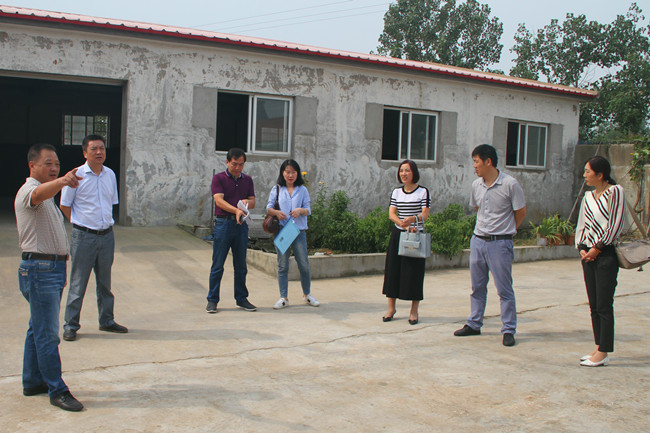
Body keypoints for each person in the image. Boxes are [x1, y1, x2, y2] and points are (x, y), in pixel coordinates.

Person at [15, 143, 84, 411]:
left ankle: (33, 381)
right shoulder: (30, 191)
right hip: (40, 271)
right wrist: (64, 181)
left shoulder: (47, 197)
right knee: (47, 334)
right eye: (48, 164)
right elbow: (37, 194)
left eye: (56, 164)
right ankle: (57, 389)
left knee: (37, 328)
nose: (54, 168)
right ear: (32, 165)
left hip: (50, 270)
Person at [454, 144, 526, 347]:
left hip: (500, 243)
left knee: (504, 289)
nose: (474, 166)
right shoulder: (476, 185)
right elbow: (479, 208)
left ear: (488, 162)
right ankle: (474, 323)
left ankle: (508, 329)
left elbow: (520, 212)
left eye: (477, 162)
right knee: (477, 286)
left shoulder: (510, 184)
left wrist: (507, 230)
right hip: (478, 241)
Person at [60, 134, 127, 341]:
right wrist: (79, 224)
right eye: (94, 149)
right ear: (84, 153)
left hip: (106, 237)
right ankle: (71, 325)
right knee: (78, 283)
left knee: (105, 283)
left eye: (102, 148)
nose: (99, 152)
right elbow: (64, 205)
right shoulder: (75, 176)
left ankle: (106, 320)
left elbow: (110, 203)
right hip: (84, 237)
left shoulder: (110, 175)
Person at [575, 156, 625, 367]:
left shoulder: (615, 192)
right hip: (588, 256)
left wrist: (598, 248)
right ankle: (598, 346)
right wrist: (582, 247)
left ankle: (604, 351)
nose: (584, 175)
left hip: (605, 255)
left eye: (588, 171)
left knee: (604, 304)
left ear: (600, 174)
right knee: (594, 304)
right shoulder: (588, 196)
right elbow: (582, 223)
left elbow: (615, 223)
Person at [206, 147, 257, 313]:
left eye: (241, 164)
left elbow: (253, 201)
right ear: (227, 162)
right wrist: (236, 210)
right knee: (218, 264)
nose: (237, 167)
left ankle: (241, 299)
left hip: (241, 226)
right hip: (224, 224)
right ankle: (212, 300)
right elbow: (218, 200)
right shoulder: (219, 178)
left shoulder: (247, 180)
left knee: (241, 265)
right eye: (234, 164)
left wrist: (247, 203)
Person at [265, 159, 320, 309]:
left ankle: (307, 295)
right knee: (283, 265)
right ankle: (283, 297)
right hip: (282, 230)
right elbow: (269, 208)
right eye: (287, 172)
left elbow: (308, 209)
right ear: (282, 173)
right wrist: (276, 212)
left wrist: (300, 210)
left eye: (293, 172)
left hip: (298, 231)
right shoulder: (277, 189)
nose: (290, 175)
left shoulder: (302, 190)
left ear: (297, 173)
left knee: (303, 264)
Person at [382, 160, 430, 325]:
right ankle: (391, 308)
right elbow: (391, 213)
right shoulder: (396, 192)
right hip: (398, 234)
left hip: (415, 235)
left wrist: (413, 220)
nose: (404, 173)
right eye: (401, 170)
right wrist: (402, 223)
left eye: (407, 170)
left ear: (414, 173)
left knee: (414, 272)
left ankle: (414, 311)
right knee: (392, 270)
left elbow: (425, 214)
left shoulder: (422, 192)